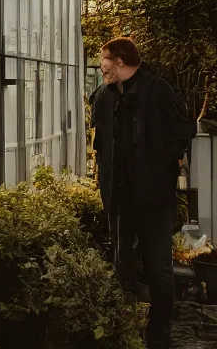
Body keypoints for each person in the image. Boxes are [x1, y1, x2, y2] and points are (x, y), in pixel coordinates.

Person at [90, 37, 195, 349]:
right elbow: (99, 138)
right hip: (120, 197)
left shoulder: (157, 90)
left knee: (158, 265)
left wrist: (160, 167)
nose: (101, 68)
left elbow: (183, 131)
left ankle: (160, 336)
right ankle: (122, 332)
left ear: (120, 59)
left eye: (104, 62)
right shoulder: (103, 96)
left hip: (154, 198)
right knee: (120, 262)